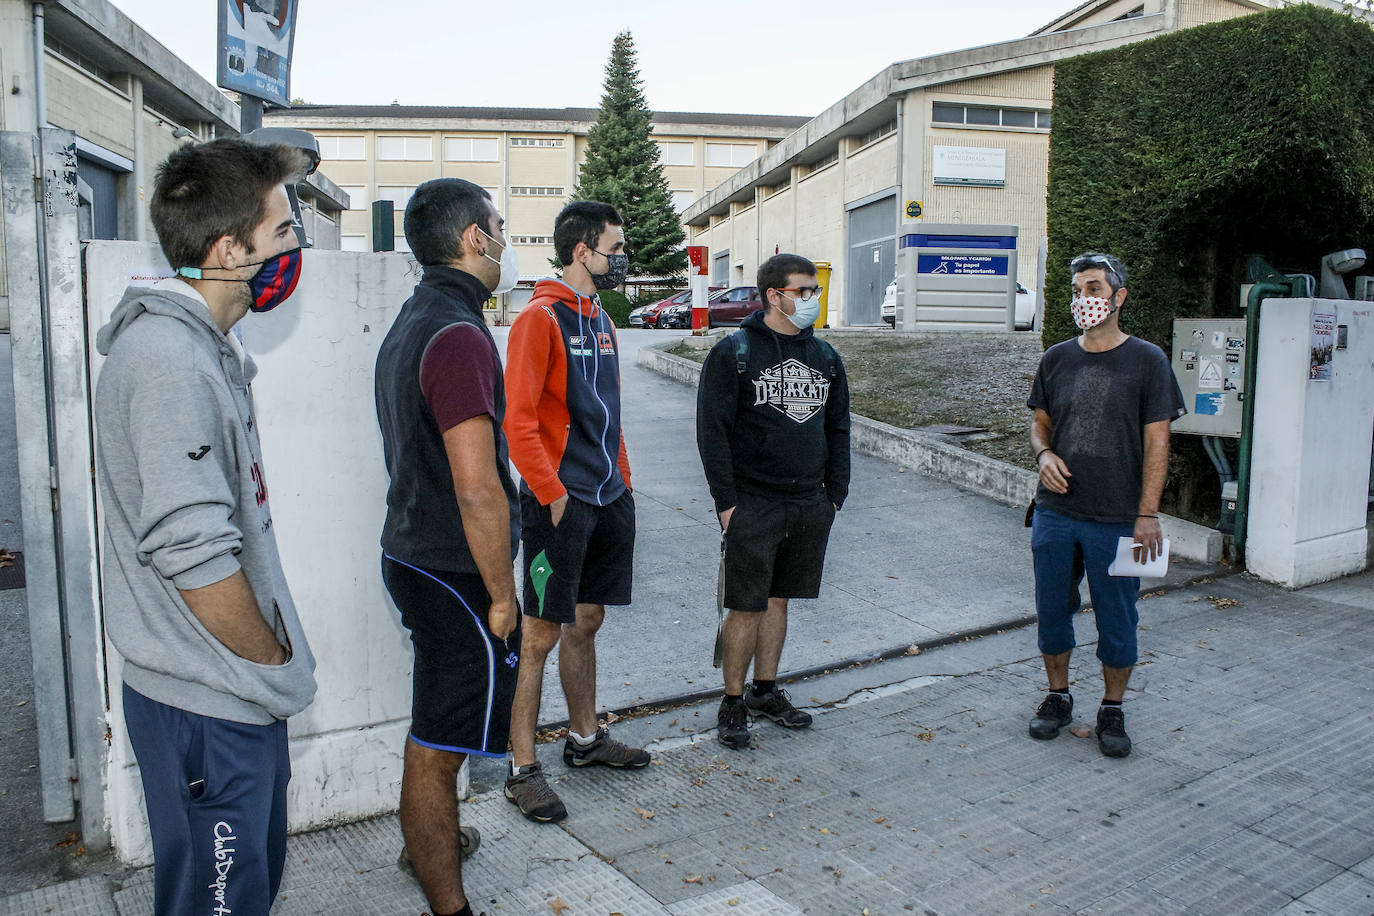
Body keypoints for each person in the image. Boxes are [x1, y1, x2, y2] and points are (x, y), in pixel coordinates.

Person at [93, 138, 317, 915]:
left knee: (247, 891)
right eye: (284, 232)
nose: (296, 248)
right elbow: (194, 554)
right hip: (208, 700)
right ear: (229, 250)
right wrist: (267, 661)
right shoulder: (169, 362)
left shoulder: (205, 352)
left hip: (227, 695)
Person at [373, 178, 523, 916]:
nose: (505, 242)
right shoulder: (459, 334)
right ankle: (450, 905)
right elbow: (478, 487)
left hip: (415, 554)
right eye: (498, 226)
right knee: (438, 745)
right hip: (452, 571)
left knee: (441, 730)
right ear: (474, 238)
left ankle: (426, 843)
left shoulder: (419, 316)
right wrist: (501, 594)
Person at [502, 200, 648, 823]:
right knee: (539, 634)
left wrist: (625, 478)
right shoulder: (540, 318)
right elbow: (519, 420)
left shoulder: (602, 319)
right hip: (558, 505)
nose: (621, 258)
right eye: (613, 248)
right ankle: (522, 768)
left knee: (587, 621)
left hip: (609, 496)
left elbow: (606, 412)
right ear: (582, 251)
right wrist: (551, 491)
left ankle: (585, 741)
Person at [1026, 251, 1185, 758]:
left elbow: (1159, 443)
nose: (1083, 299)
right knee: (1052, 611)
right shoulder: (1056, 357)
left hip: (1119, 519)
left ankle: (1112, 708)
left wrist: (1147, 515)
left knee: (1118, 619)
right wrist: (1044, 452)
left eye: (1093, 288)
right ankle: (1057, 696)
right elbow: (1040, 422)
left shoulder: (1148, 360)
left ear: (1118, 297)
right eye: (1077, 290)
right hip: (1054, 513)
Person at [696, 253, 851, 750]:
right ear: (774, 296)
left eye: (814, 291)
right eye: (803, 291)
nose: (812, 299)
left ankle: (766, 690)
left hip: (809, 503)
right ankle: (733, 700)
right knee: (745, 606)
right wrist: (727, 503)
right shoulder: (734, 352)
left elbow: (839, 427)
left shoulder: (826, 357)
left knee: (780, 600)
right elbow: (712, 434)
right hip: (753, 503)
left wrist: (835, 495)